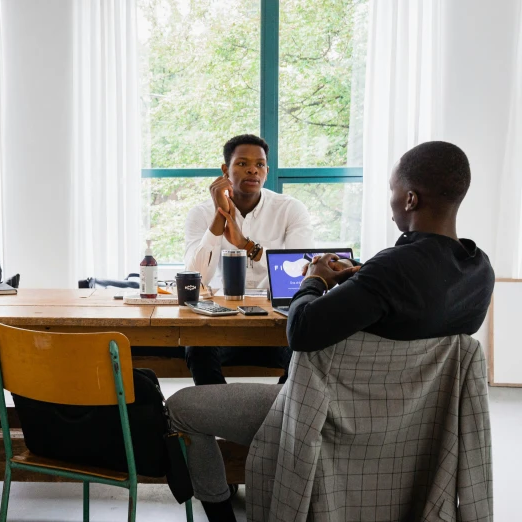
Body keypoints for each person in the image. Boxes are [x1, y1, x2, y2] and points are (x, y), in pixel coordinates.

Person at [167, 141, 495, 521]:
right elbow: (406, 303)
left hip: (329, 413)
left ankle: (223, 516)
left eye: (391, 192)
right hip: (407, 427)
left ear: (409, 200)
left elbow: (303, 330)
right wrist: (362, 280)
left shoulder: (388, 271)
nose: (389, 204)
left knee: (180, 409)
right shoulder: (479, 273)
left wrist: (315, 280)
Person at [182, 134, 313, 385]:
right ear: (225, 170)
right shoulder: (200, 214)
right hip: (221, 324)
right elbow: (195, 278)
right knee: (197, 348)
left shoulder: (290, 209)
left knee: (307, 351)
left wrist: (246, 245)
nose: (253, 169)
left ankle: (278, 414)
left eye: (260, 164)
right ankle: (220, 417)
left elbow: (302, 271)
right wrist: (219, 217)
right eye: (242, 163)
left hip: (276, 326)